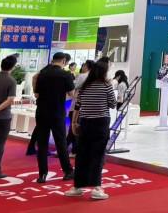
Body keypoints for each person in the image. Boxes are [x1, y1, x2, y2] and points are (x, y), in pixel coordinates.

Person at [65, 61, 116, 201]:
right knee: (97, 155)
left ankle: (77, 186)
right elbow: (112, 104)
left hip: (85, 122)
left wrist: (74, 122)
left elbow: (78, 105)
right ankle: (97, 188)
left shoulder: (84, 86)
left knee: (82, 154)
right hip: (101, 123)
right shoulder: (106, 86)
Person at [34, 52, 75, 183]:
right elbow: (72, 93)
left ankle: (42, 174)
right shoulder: (65, 74)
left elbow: (36, 93)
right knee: (61, 142)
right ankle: (68, 171)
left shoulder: (43, 73)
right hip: (57, 112)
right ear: (63, 61)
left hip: (42, 112)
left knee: (42, 143)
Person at [67, 60, 94, 154]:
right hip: (86, 107)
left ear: (87, 66)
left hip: (77, 106)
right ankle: (69, 149)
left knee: (74, 128)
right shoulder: (94, 78)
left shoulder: (82, 76)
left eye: (84, 65)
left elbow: (73, 86)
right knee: (75, 129)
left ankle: (73, 150)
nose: (82, 67)